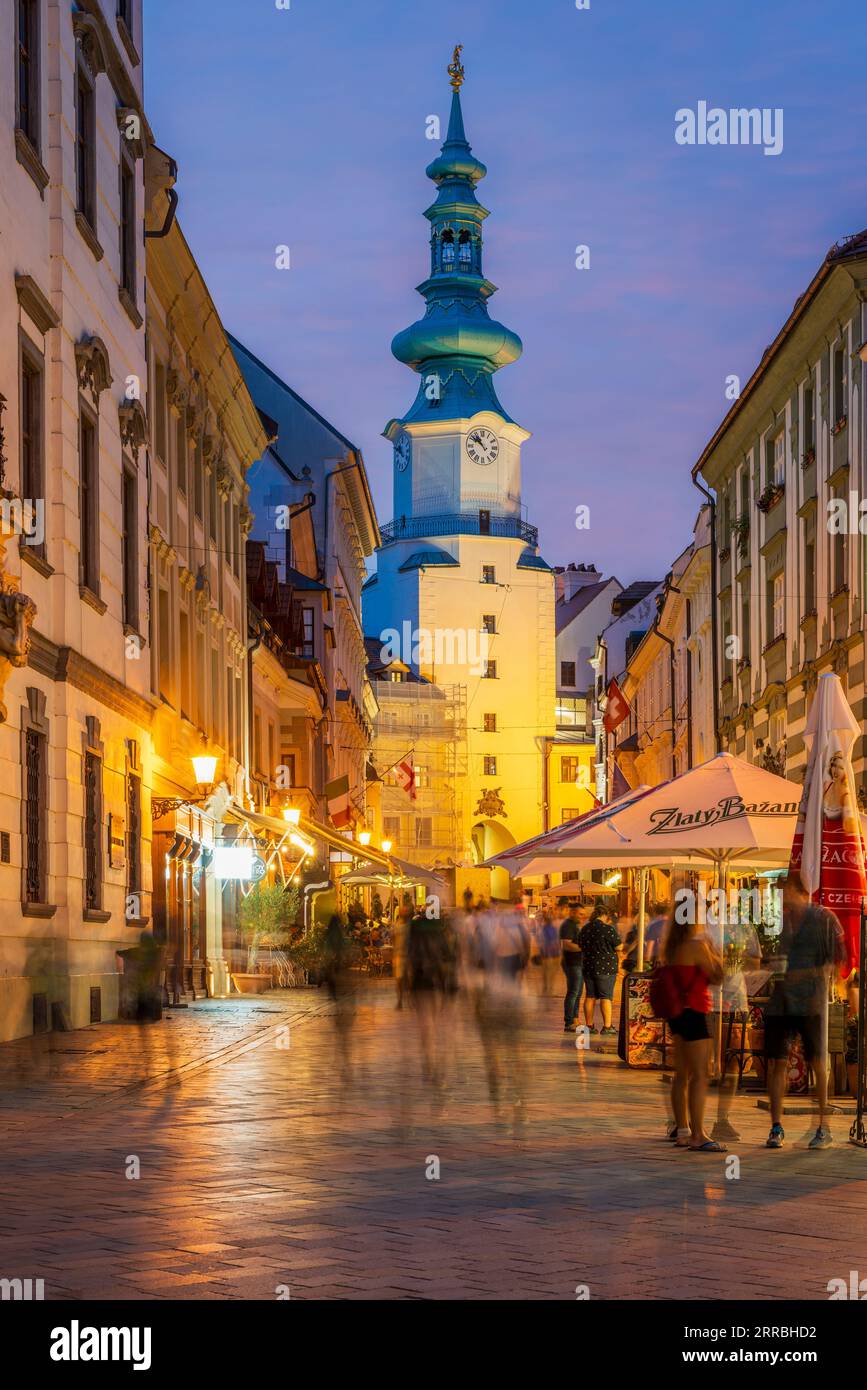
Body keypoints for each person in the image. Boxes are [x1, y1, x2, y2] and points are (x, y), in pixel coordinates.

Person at [763, 871, 846, 1150]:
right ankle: (776, 1126)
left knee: (817, 1063)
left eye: (782, 889)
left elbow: (837, 963)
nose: (780, 895)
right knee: (777, 1063)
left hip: (810, 1001)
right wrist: (772, 967)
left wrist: (805, 975)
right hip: (781, 1001)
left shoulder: (823, 919)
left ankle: (822, 1125)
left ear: (796, 890)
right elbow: (776, 956)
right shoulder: (783, 922)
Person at [661, 911, 725, 1151]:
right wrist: (714, 952)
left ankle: (683, 1130)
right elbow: (718, 975)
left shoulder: (671, 948)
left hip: (677, 1013)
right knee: (700, 1074)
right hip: (695, 1010)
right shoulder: (697, 946)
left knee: (681, 1074)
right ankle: (698, 1133)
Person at [579, 904, 621, 1035]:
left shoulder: (585, 929)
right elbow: (619, 947)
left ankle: (589, 1026)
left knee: (590, 996)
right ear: (605, 916)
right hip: (606, 968)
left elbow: (580, 945)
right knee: (605, 997)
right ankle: (607, 1027)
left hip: (589, 966)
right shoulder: (608, 929)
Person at [559, 901, 587, 1032]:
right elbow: (567, 945)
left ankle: (575, 1018)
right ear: (573, 912)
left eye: (584, 915)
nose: (582, 917)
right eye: (580, 914)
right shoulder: (568, 925)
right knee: (573, 992)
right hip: (572, 963)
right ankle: (569, 1021)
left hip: (578, 962)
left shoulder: (576, 925)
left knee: (578, 992)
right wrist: (584, 948)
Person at [537, 910, 561, 996]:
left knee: (546, 973)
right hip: (551, 954)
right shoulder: (551, 929)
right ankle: (549, 990)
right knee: (550, 973)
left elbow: (541, 941)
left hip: (547, 954)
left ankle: (546, 989)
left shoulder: (543, 929)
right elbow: (554, 942)